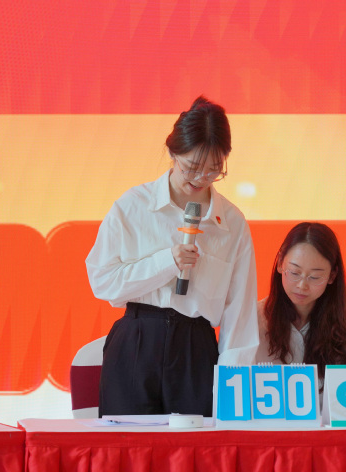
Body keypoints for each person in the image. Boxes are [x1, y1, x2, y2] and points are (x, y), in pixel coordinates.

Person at [86, 95, 258, 417]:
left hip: (196, 351)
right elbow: (102, 280)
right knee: (129, 446)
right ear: (172, 152)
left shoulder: (232, 223)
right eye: (191, 167)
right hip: (137, 342)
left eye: (213, 170)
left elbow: (240, 312)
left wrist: (232, 386)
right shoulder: (133, 206)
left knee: (195, 446)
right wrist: (167, 262)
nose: (200, 179)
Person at [256, 222, 346, 389]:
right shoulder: (253, 319)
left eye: (314, 277)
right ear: (280, 264)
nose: (302, 285)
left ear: (332, 276)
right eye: (294, 272)